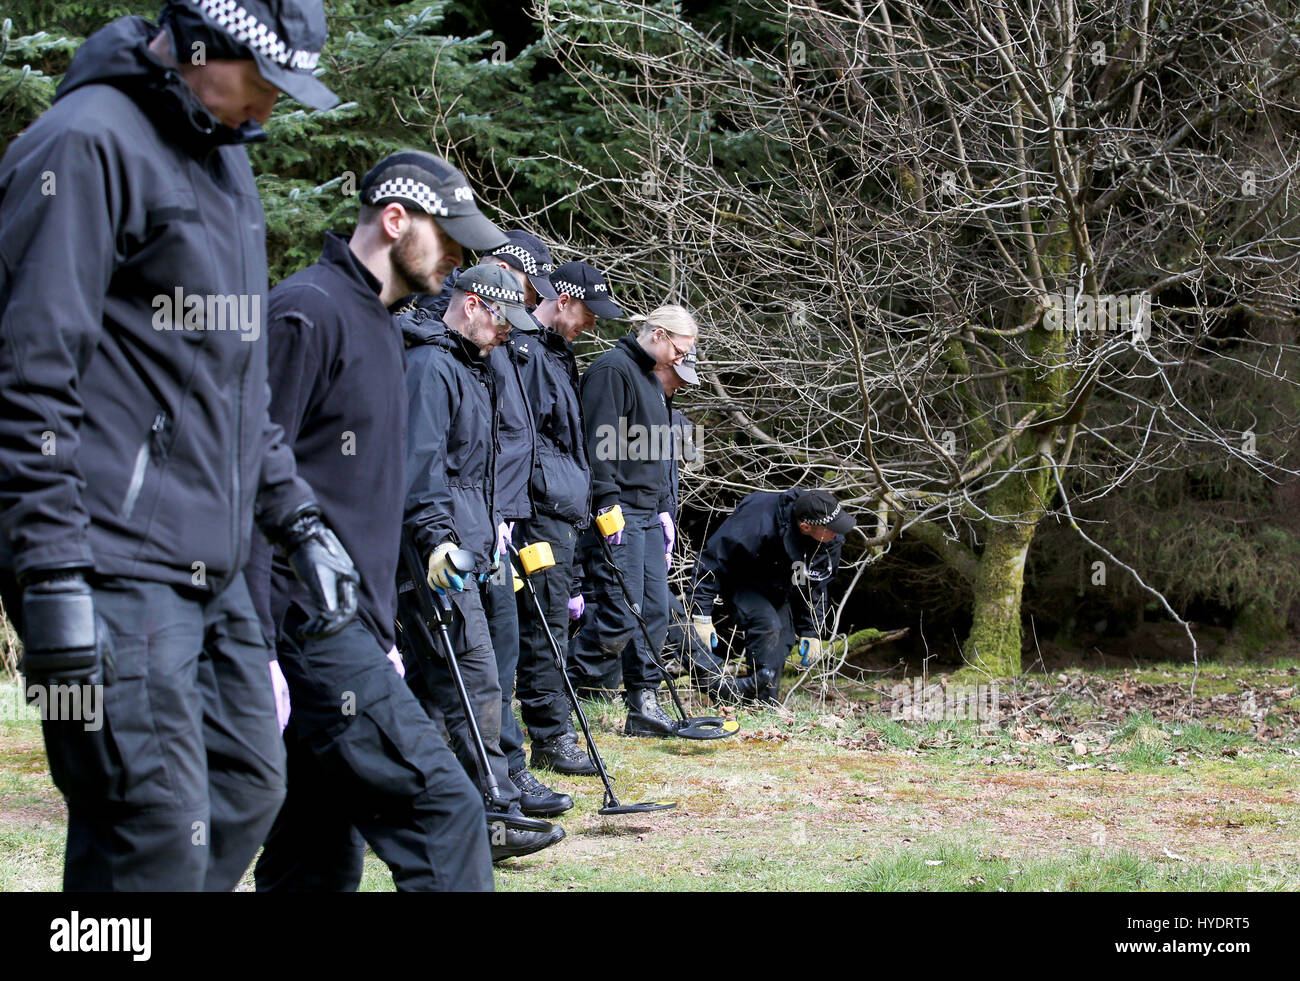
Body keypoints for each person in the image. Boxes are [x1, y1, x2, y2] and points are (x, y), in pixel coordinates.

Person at [0, 0, 358, 891]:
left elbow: (234, 386)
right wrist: (48, 577)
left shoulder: (224, 163)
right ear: (205, 44)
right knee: (150, 822)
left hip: (214, 559)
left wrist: (299, 518)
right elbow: (27, 375)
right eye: (266, 83)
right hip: (104, 559)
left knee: (244, 786)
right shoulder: (84, 145)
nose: (271, 111)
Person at [249, 152, 505, 891]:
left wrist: (382, 631)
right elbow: (244, 478)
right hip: (305, 631)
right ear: (396, 220)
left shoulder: (385, 327)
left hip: (353, 630)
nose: (458, 256)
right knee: (446, 812)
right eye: (448, 236)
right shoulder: (307, 310)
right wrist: (262, 649)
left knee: (317, 856)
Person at [397, 262, 565, 861]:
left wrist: (497, 522)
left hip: (471, 539)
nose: (507, 334)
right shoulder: (431, 366)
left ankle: (444, 809)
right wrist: (439, 542)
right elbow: (421, 469)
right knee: (469, 677)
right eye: (500, 320)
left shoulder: (476, 365)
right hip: (435, 550)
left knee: (435, 684)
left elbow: (481, 466)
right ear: (471, 304)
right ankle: (488, 813)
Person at [568, 305, 699, 737]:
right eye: (681, 349)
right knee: (621, 612)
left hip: (646, 511)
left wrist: (665, 506)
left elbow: (658, 453)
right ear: (659, 335)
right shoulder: (612, 370)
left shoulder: (652, 379)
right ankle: (559, 686)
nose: (682, 359)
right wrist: (605, 502)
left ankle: (643, 703)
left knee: (656, 610)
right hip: (617, 511)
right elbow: (596, 443)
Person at [514, 261, 625, 770]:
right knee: (544, 625)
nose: (592, 326)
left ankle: (546, 732)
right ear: (563, 300)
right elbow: (522, 438)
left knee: (553, 621)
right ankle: (551, 738)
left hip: (563, 510)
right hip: (538, 511)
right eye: (588, 313)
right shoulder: (525, 350)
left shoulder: (560, 355)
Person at [687, 489, 855, 704]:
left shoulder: (829, 539)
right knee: (767, 625)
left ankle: (766, 703)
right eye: (832, 529)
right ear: (806, 527)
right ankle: (757, 701)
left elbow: (814, 584)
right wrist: (701, 615)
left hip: (779, 583)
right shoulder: (756, 522)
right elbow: (711, 562)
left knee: (783, 638)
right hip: (741, 577)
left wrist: (811, 629)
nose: (838, 533)